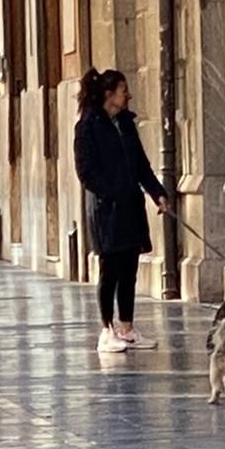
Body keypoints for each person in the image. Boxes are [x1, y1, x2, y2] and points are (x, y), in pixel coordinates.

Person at [74, 68, 168, 354]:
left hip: (130, 206)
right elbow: (85, 171)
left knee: (129, 268)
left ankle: (127, 327)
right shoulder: (88, 126)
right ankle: (107, 330)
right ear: (109, 94)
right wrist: (112, 193)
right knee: (110, 268)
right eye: (123, 89)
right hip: (106, 209)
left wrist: (157, 192)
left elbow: (141, 164)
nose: (128, 94)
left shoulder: (126, 124)